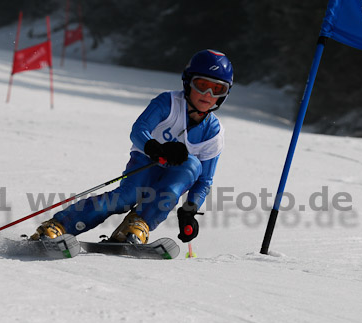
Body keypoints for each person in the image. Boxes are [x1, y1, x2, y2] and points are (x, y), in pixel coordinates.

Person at [30, 49, 233, 244]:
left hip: (176, 176)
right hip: (147, 161)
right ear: (188, 82)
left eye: (217, 89)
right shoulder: (168, 103)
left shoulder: (213, 132)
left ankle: (136, 225)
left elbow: (204, 180)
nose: (207, 94)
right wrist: (156, 148)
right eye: (201, 84)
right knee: (126, 197)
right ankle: (59, 225)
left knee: (191, 166)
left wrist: (190, 210)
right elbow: (138, 130)